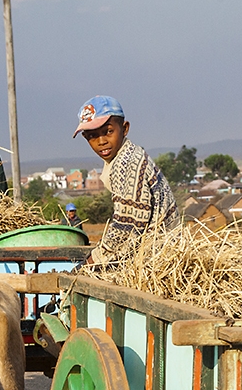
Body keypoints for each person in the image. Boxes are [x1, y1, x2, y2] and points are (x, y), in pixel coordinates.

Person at [74, 95, 177, 267]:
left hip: (156, 258)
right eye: (93, 136)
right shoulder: (123, 157)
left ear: (125, 128)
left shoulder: (127, 164)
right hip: (155, 253)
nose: (102, 141)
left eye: (108, 131)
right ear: (86, 138)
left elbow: (127, 227)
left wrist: (90, 263)